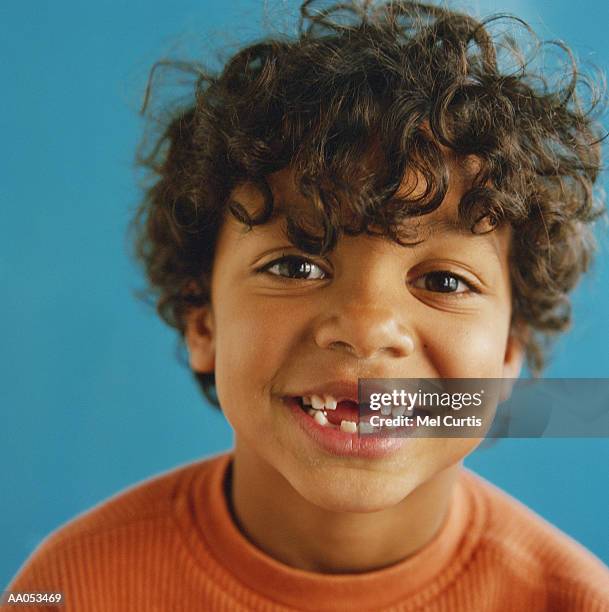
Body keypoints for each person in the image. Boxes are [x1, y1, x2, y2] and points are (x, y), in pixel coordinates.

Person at [4, 1, 609, 610]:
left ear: (509, 352)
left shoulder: (576, 600)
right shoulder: (71, 588)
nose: (367, 328)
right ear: (203, 321)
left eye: (446, 282)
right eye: (296, 266)